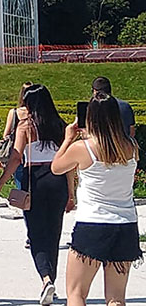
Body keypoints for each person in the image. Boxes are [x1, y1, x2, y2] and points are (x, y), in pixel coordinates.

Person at [50, 91, 141, 306]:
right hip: (125, 224)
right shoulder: (131, 147)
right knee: (116, 298)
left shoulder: (83, 148)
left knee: (76, 293)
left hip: (93, 223)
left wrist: (68, 138)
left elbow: (56, 167)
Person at [0, 84, 74, 305]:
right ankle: (50, 280)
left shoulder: (25, 126)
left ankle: (46, 279)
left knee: (36, 233)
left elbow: (16, 158)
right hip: (57, 179)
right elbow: (69, 163)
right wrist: (71, 193)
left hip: (34, 179)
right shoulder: (60, 125)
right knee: (53, 233)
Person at [4, 82, 34, 189]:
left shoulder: (14, 112)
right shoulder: (37, 113)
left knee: (21, 187)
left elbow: (6, 135)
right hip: (34, 153)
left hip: (19, 152)